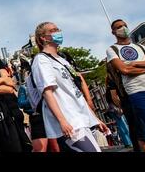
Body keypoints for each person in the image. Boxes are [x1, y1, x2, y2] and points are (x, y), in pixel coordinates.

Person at [32, 22, 108, 152]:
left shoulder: (63, 61)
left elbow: (75, 91)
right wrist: (62, 121)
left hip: (81, 120)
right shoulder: (42, 60)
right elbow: (47, 92)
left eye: (58, 29)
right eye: (53, 30)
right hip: (70, 122)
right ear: (43, 38)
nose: (58, 32)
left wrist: (95, 119)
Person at [106, 19, 145, 151]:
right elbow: (124, 70)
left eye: (125, 25)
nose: (123, 28)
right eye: (119, 27)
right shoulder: (112, 50)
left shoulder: (142, 47)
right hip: (137, 92)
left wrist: (134, 64)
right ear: (113, 32)